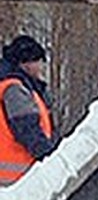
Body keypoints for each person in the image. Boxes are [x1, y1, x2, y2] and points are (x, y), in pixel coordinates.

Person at [0, 34, 57, 185]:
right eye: (39, 61)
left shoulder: (12, 85)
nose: (41, 67)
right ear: (26, 64)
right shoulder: (15, 90)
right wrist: (52, 160)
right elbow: (28, 131)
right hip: (16, 181)